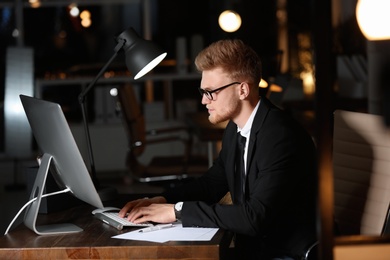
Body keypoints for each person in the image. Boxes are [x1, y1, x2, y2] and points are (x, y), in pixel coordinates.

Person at [119, 39, 318, 259]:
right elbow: (212, 183)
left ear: (242, 89)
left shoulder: (279, 136)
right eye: (203, 91)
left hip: (286, 253)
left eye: (211, 91)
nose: (204, 100)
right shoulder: (235, 128)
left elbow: (254, 218)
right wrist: (162, 201)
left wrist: (177, 212)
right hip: (255, 247)